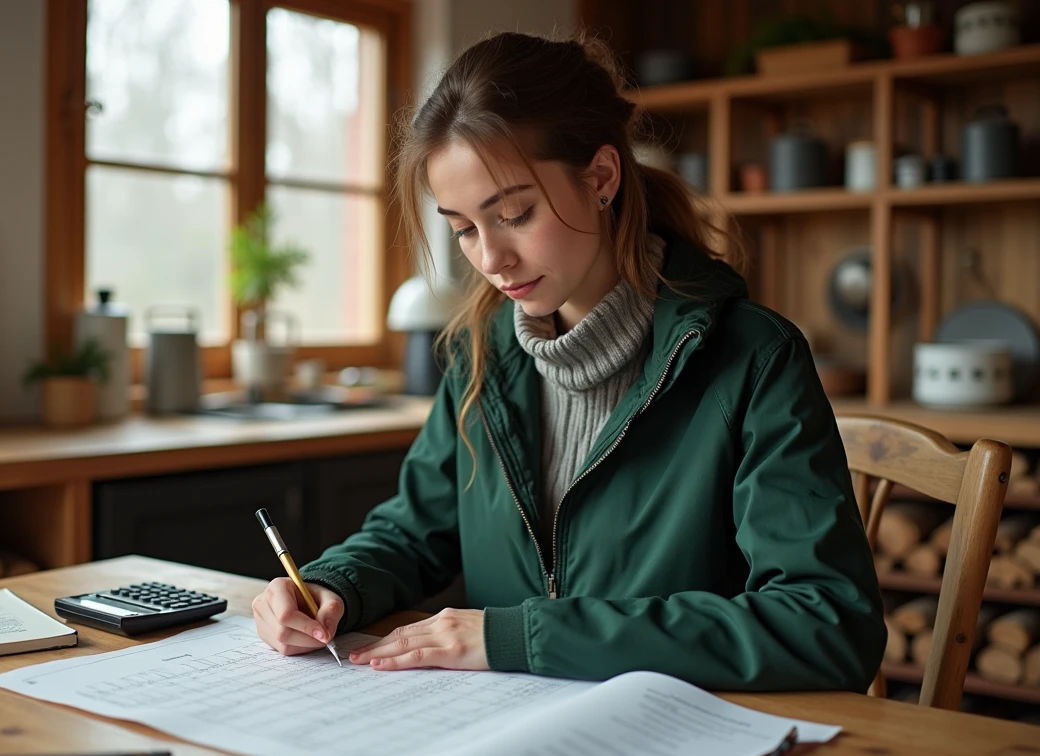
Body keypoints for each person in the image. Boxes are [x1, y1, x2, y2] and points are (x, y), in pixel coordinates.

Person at [252, 30, 885, 691]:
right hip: (502, 731)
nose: (490, 259)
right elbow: (414, 529)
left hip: (680, 745)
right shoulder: (481, 357)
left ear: (602, 177)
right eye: (464, 229)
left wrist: (523, 637)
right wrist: (328, 587)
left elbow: (829, 622)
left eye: (516, 214)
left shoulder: (754, 360)